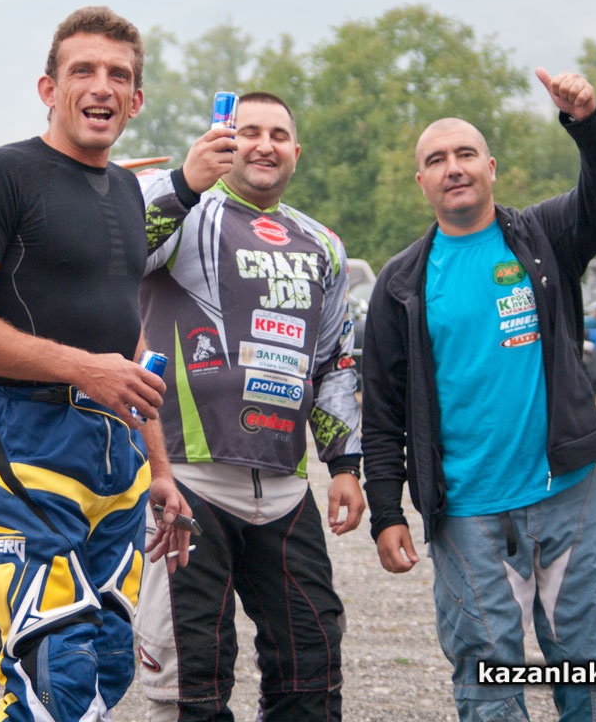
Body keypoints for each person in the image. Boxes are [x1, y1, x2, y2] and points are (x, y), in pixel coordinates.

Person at [0, 6, 192, 722]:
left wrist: (160, 467)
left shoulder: (128, 190)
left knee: (107, 669)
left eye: (119, 76)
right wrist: (82, 369)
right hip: (26, 446)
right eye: (83, 71)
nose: (102, 87)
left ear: (135, 100)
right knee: (54, 677)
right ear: (49, 88)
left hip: (118, 461)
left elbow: (127, 341)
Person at [362, 69, 596, 721]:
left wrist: (587, 121)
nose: (452, 167)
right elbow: (383, 412)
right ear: (421, 181)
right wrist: (386, 511)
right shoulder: (401, 283)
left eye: (465, 154)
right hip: (467, 516)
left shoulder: (545, 237)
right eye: (436, 159)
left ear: (490, 167)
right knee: (487, 686)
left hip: (565, 496)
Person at [133, 92, 364, 722]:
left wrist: (345, 464)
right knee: (192, 684)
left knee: (313, 671)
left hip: (285, 488)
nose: (264, 145)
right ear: (225, 141)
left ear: (296, 152)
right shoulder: (185, 209)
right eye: (249, 132)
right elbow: (120, 249)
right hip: (189, 479)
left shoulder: (323, 243)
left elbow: (334, 359)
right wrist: (185, 183)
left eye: (279, 135)